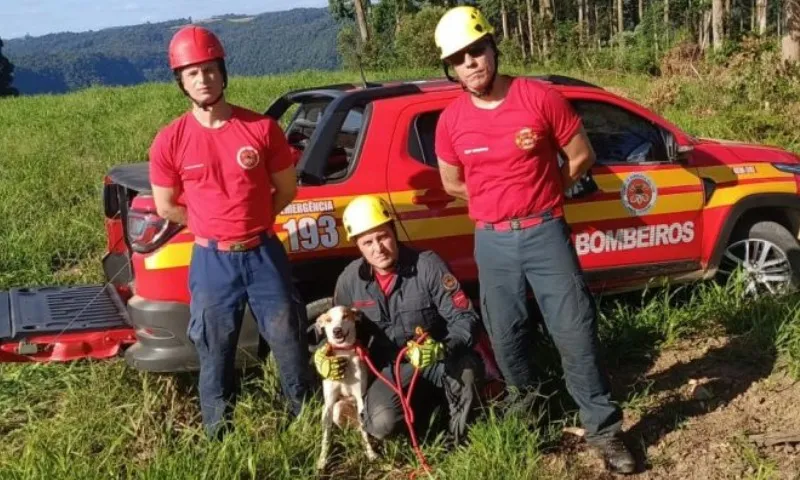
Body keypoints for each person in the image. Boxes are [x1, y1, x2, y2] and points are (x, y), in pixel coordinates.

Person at [431, 6, 636, 475]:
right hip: (493, 242)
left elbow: (581, 155)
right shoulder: (451, 122)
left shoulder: (538, 97)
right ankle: (535, 411)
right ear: (451, 68)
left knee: (575, 332)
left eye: (477, 51)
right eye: (459, 58)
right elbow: (452, 183)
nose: (471, 63)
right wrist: (494, 202)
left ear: (492, 48)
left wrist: (546, 191)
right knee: (506, 339)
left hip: (545, 232)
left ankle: (604, 430)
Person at [148, 25, 312, 438]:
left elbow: (287, 190)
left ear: (223, 73)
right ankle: (219, 436)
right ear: (181, 82)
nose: (203, 79)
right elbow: (167, 205)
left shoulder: (261, 129)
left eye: (209, 70)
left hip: (263, 255)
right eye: (192, 73)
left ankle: (305, 423)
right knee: (215, 352)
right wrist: (210, 225)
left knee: (288, 343)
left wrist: (251, 222)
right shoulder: (170, 140)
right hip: (211, 262)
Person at [313, 195, 484, 445]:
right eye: (367, 242)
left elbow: (465, 317)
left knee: (467, 372)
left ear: (394, 232)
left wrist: (442, 348)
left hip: (437, 359)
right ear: (358, 246)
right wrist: (325, 355)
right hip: (391, 368)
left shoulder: (428, 266)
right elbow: (339, 330)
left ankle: (458, 441)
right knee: (381, 424)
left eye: (382, 237)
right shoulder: (349, 281)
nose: (377, 248)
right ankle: (423, 412)